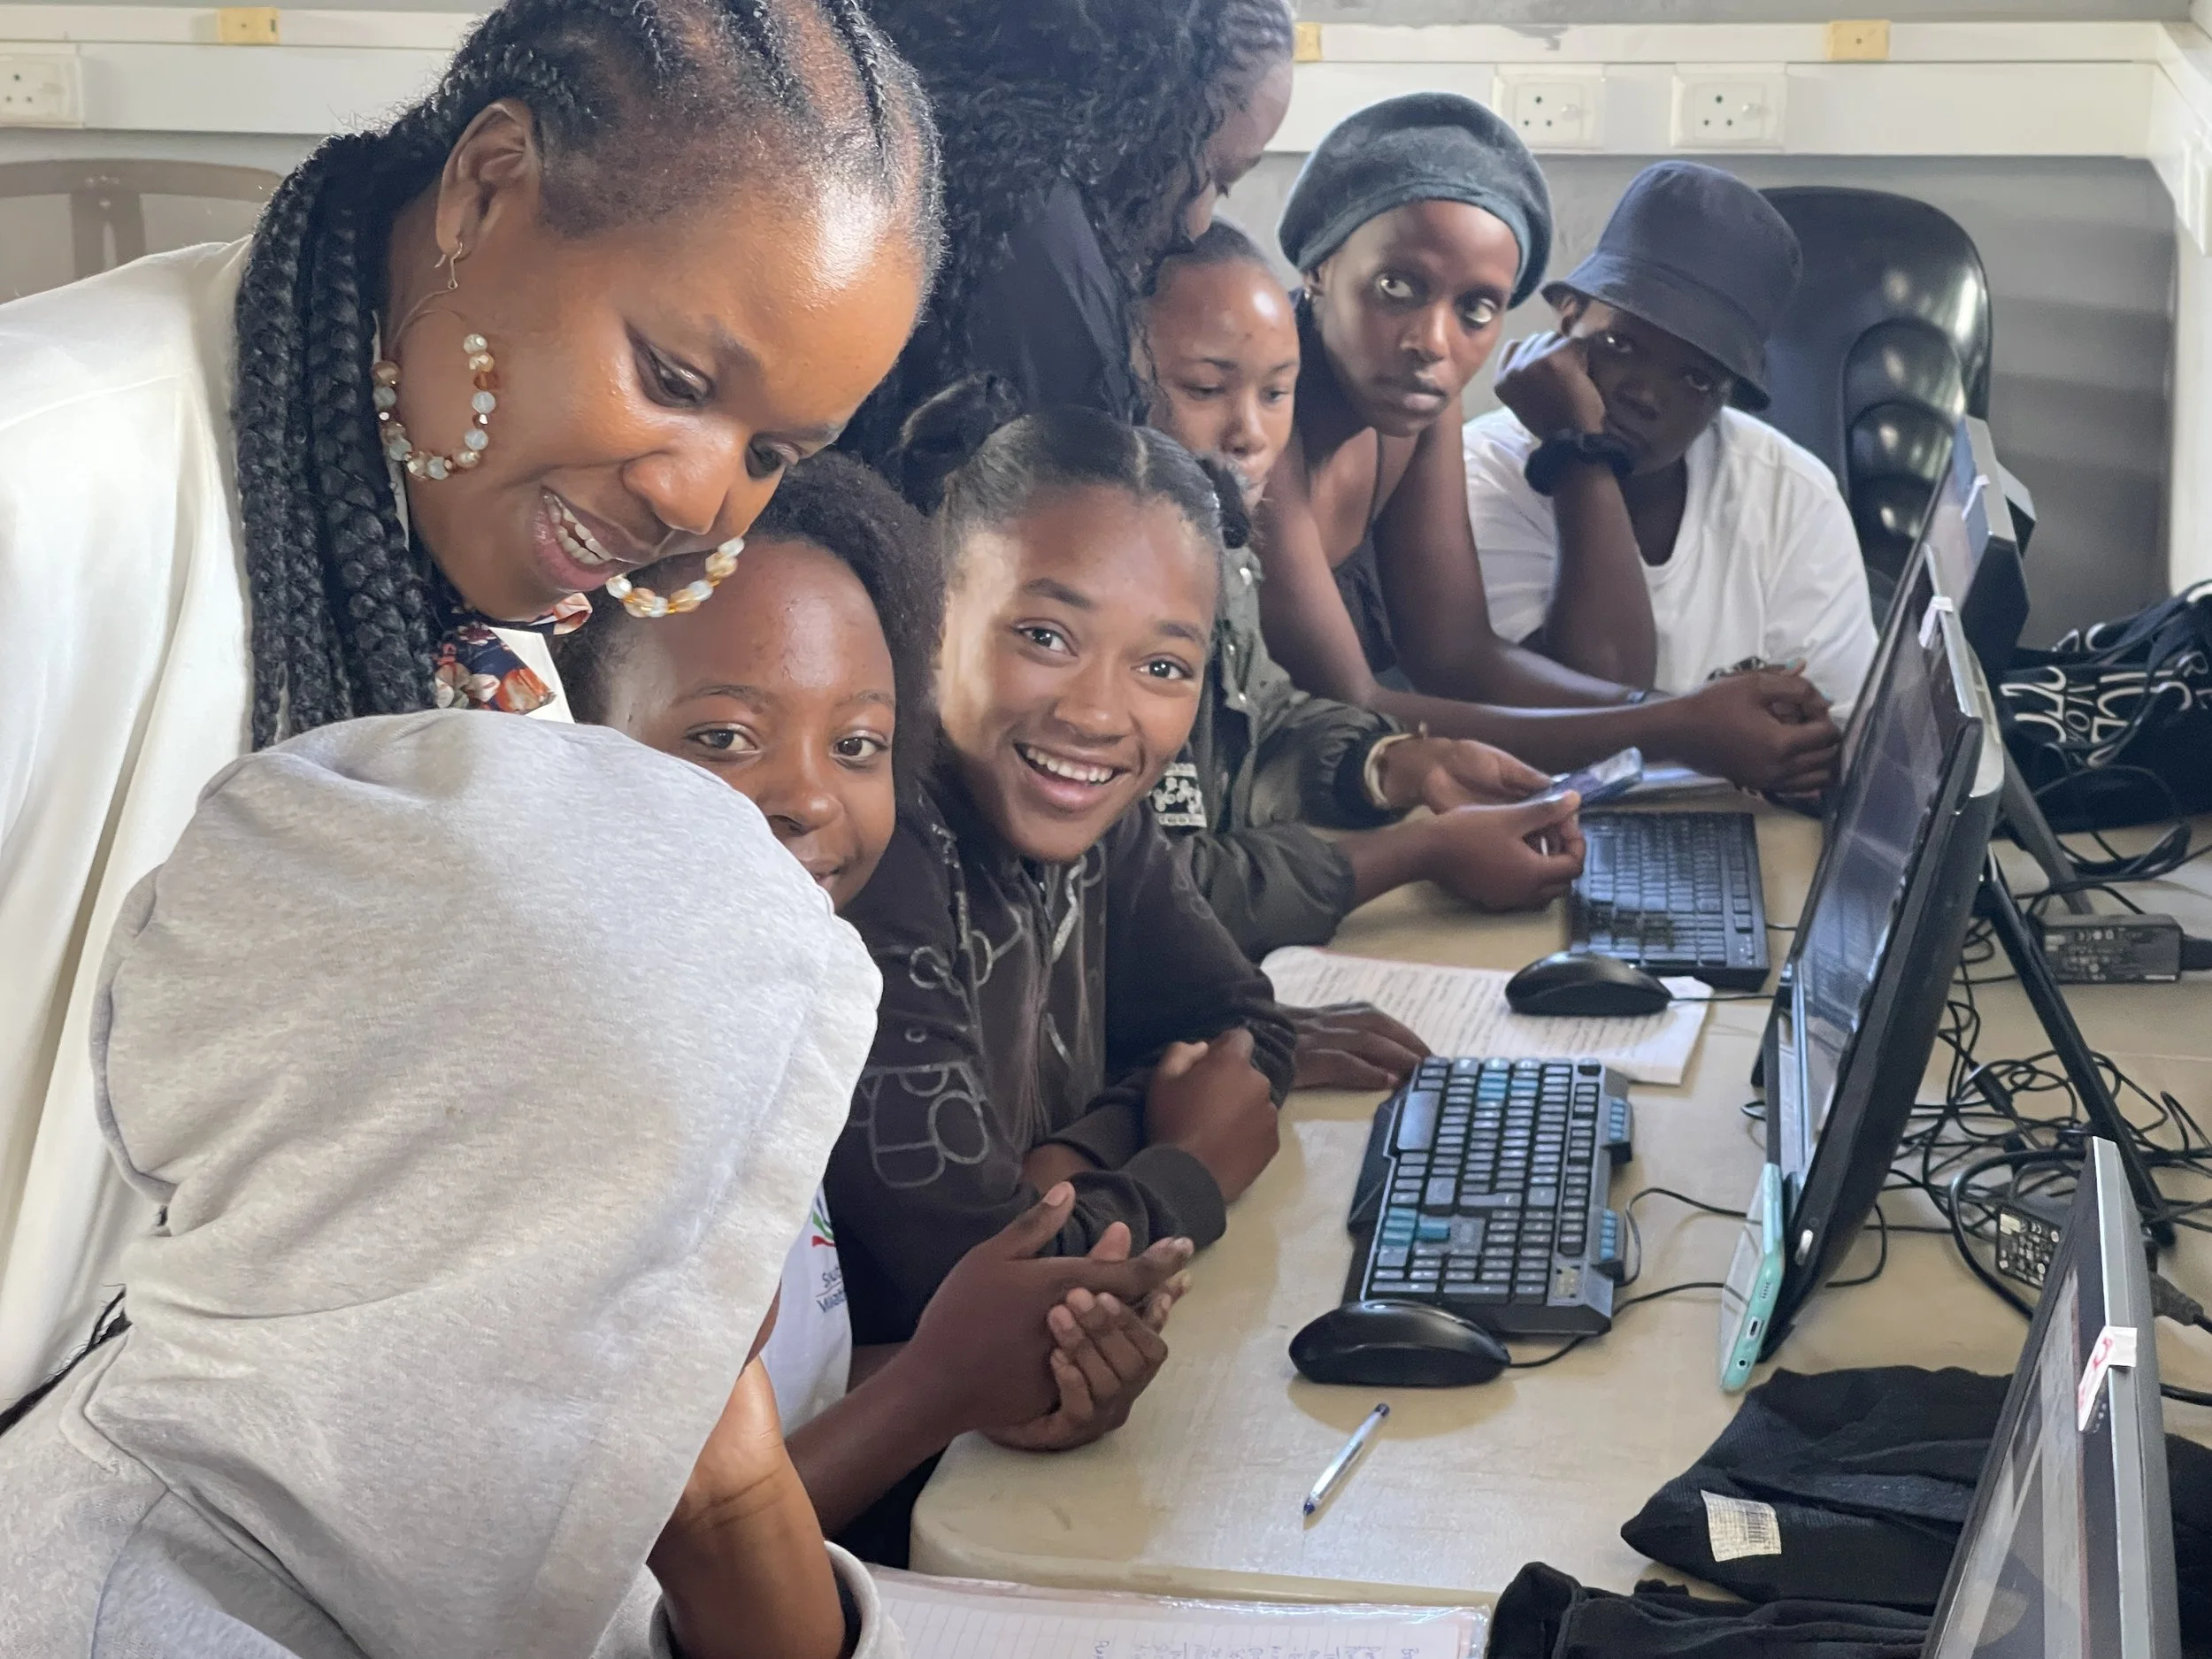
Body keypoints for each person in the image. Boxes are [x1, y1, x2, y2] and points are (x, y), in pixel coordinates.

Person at [0, 0, 940, 1401]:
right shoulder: (39, 492)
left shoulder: (479, 597)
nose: (698, 502)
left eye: (772, 450)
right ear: (487, 188)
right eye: (675, 380)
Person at [0, 710, 956, 1657]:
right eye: (711, 1210)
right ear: (468, 1223)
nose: (767, 1279)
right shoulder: (112, 1619)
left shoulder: (536, 1454)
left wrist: (730, 1505)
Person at [556, 453, 1192, 1538]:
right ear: (567, 746)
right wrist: (929, 1394)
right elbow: (635, 1562)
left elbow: (755, 1421)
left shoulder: (764, 1030)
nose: (810, 795)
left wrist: (1008, 1363)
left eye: (858, 745)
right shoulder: (586, 1096)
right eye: (723, 738)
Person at [829, 391, 1297, 1359]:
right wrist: (1190, 1159)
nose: (1096, 712)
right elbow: (995, 1284)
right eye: (1045, 636)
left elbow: (1247, 1034)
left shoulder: (1087, 809)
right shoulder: (872, 852)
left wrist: (1079, 1155)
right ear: (932, 612)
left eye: (1162, 667)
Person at [1255, 91, 1841, 793]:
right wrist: (1678, 729)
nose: (1432, 343)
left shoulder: (1417, 405)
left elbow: (1458, 656)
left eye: (1476, 308)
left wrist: (1693, 716)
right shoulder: (1257, 420)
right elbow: (1356, 704)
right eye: (1396, 285)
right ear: (1319, 267)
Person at [1140, 219, 1587, 972]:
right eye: (1206, 389)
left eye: (1276, 392)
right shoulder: (1115, 600)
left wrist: (1398, 765)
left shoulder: (1219, 554)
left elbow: (1267, 721)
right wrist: (1415, 850)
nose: (1250, 432)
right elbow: (1166, 892)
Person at [1468, 161, 1878, 716]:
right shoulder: (1478, 472)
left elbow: (1835, 733)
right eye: (1620, 344)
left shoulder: (1793, 491)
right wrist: (1579, 453)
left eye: (1695, 378)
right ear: (1568, 319)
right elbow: (1587, 702)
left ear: (1725, 395)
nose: (1646, 395)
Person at [842, 0, 1294, 459]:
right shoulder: (1041, 264)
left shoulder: (939, 168)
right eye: (1217, 177)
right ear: (1157, 107)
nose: (1197, 225)